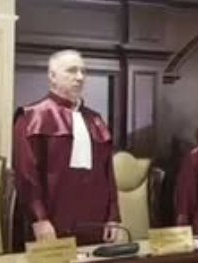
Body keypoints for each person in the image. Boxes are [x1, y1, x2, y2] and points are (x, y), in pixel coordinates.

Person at [13, 49, 120, 245]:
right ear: (52, 76)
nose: (79, 77)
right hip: (51, 223)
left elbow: (108, 174)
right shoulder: (32, 116)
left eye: (83, 71)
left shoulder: (95, 119)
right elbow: (26, 175)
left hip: (96, 223)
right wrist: (39, 218)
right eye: (72, 70)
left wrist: (113, 216)